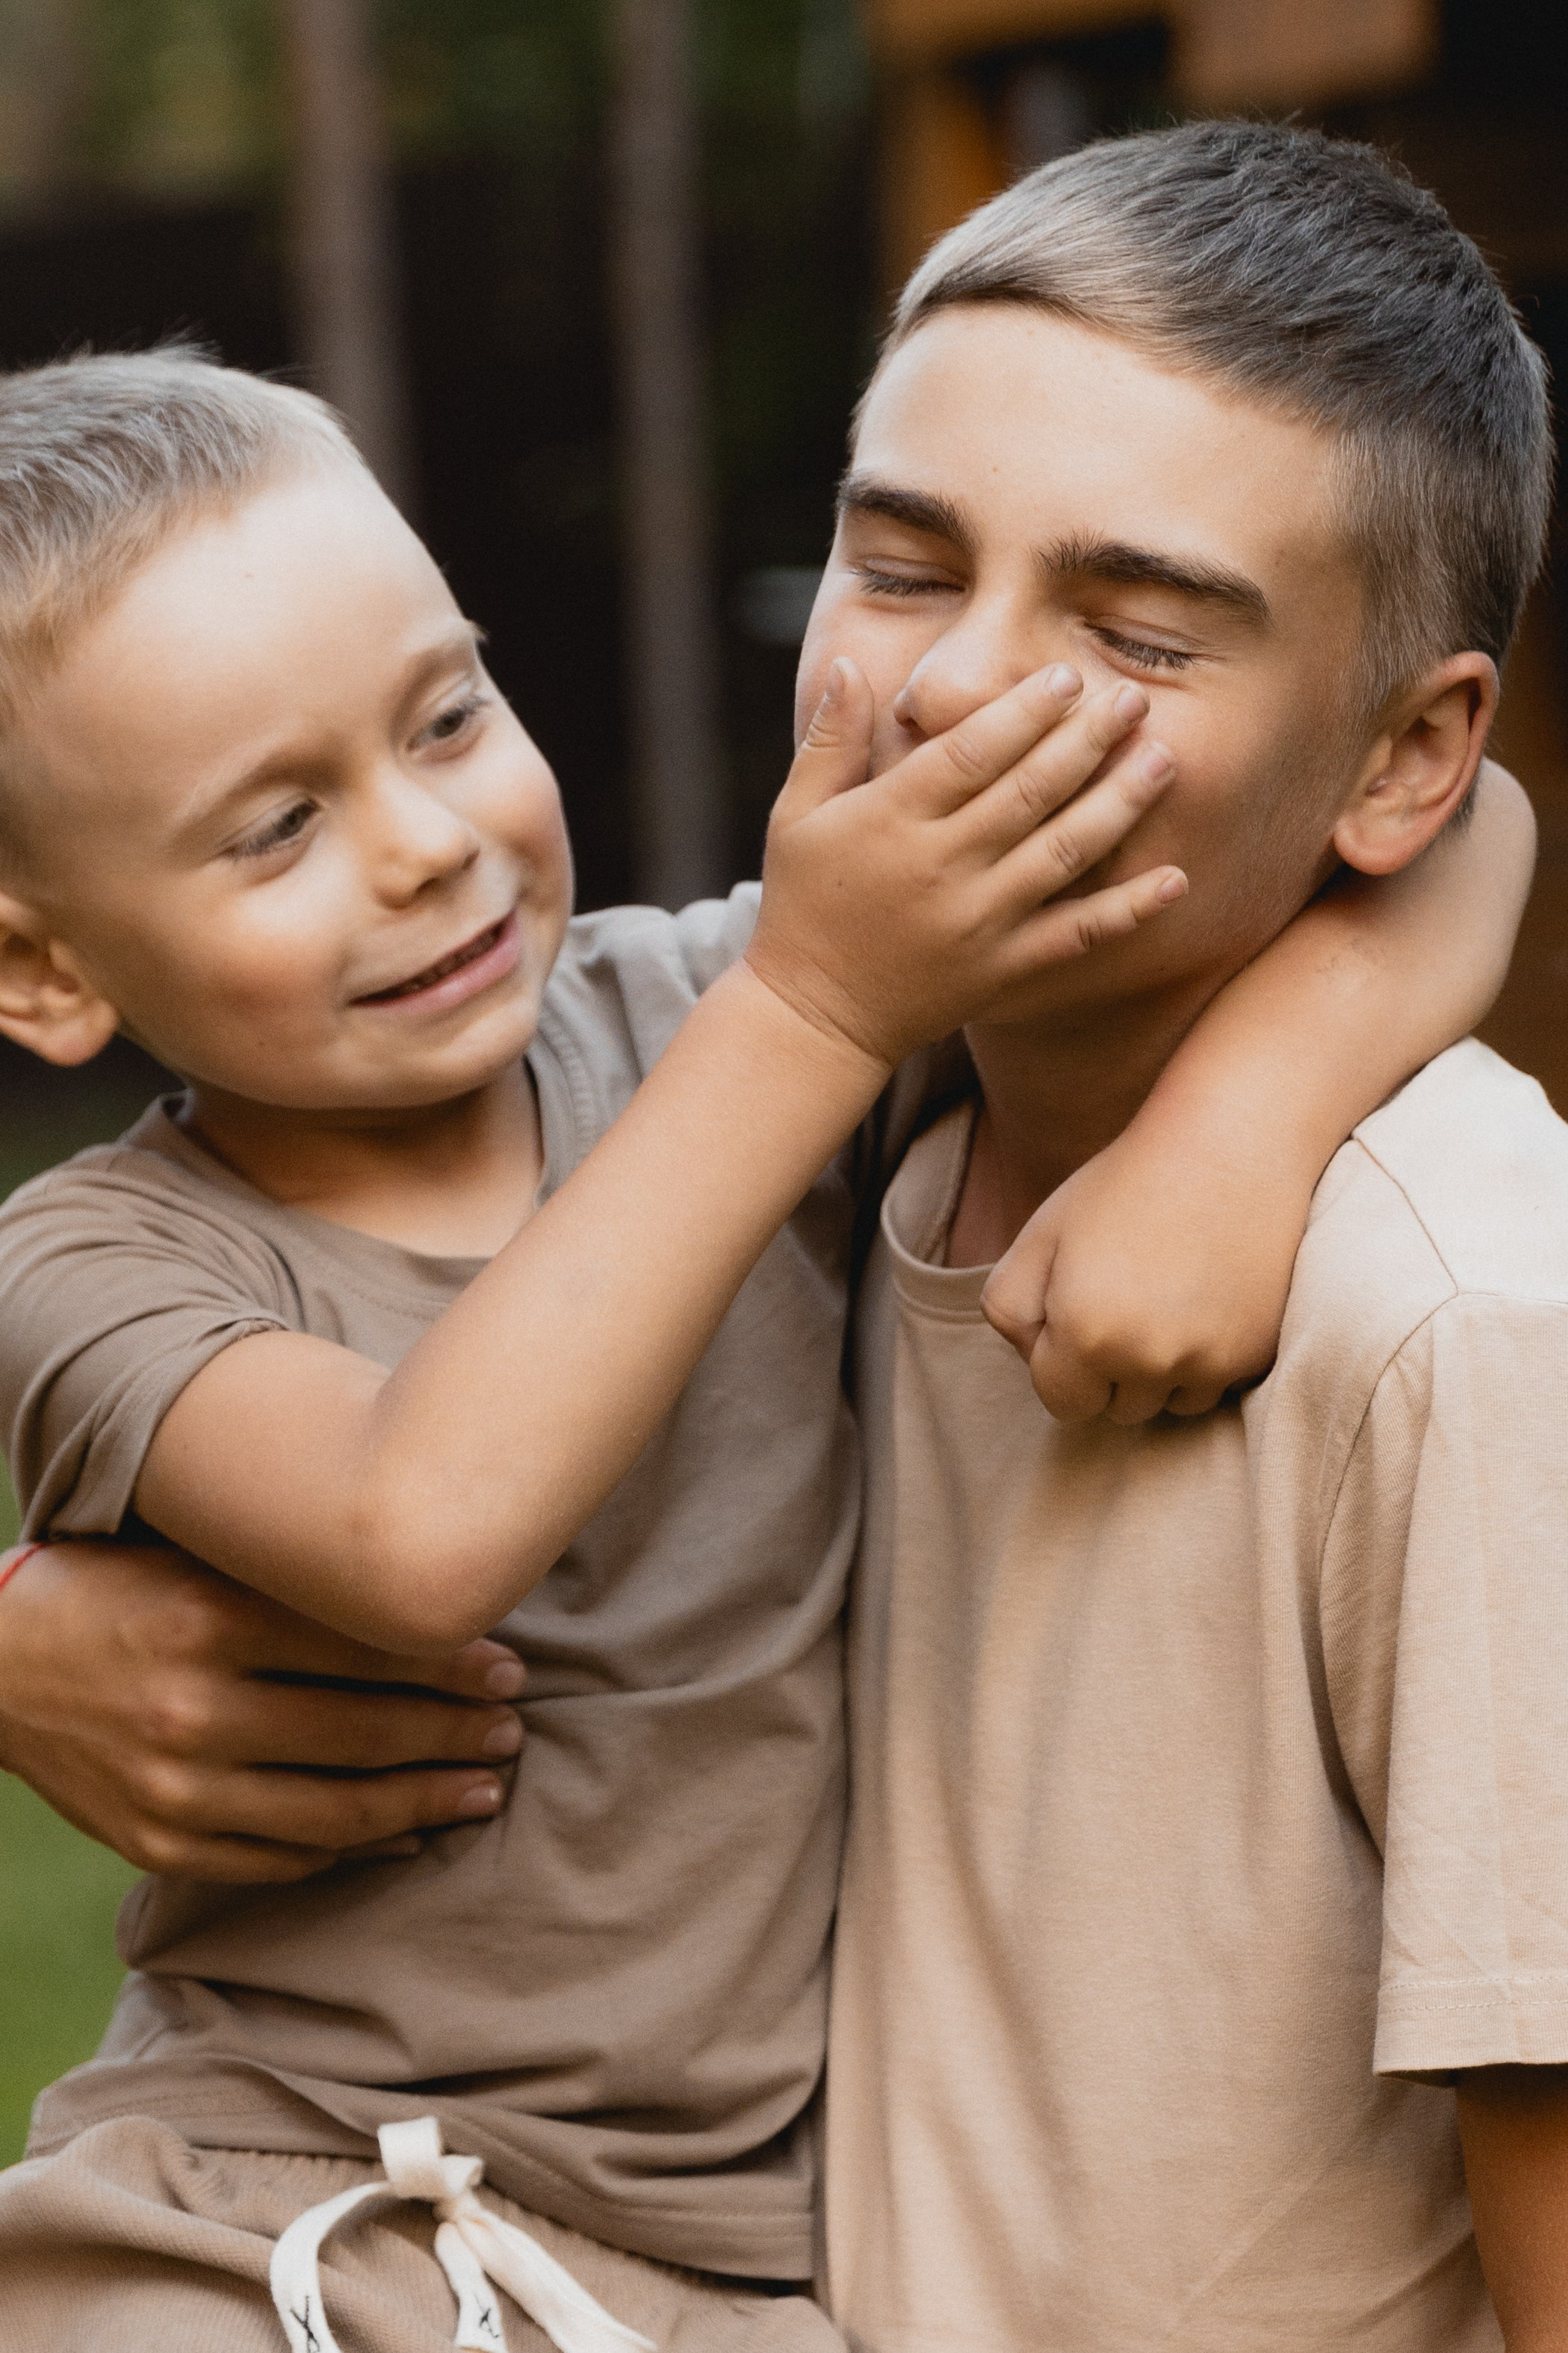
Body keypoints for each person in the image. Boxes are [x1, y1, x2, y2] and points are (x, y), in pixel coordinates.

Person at [0, 288, 1533, 2353]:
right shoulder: (99, 1263)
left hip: (733, 2288)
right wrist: (815, 1007)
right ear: (44, 974)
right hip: (275, 2219)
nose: (426, 844)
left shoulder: (694, 1028)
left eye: (445, 718)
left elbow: (1460, 819)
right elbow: (421, 1520)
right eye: (274, 829)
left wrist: (1245, 1123)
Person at [816, 123, 1568, 2351]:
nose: (954, 693)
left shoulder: (1462, 1322)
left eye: (1134, 633)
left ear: (1403, 757)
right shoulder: (826, 1105)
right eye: (895, 561)